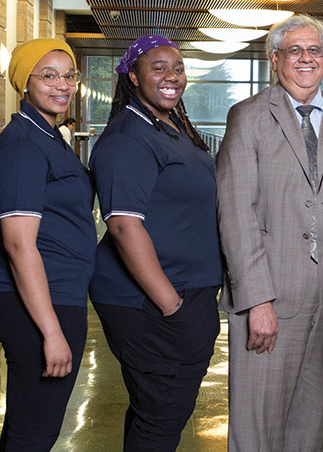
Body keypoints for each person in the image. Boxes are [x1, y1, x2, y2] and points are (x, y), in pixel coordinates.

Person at [216, 14, 323, 452]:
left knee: (309, 429)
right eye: (294, 51)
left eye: (315, 50)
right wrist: (257, 300)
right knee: (255, 433)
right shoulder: (248, 118)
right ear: (275, 59)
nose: (306, 59)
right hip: (269, 302)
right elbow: (235, 212)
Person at [89, 35, 221, 451]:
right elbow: (125, 227)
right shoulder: (128, 137)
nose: (171, 77)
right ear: (133, 76)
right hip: (153, 303)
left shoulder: (171, 127)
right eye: (158, 68)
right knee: (162, 417)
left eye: (177, 68)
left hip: (186, 293)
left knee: (155, 414)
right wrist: (171, 305)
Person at [0, 38, 95, 451]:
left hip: (59, 293)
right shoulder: (24, 145)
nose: (62, 85)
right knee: (35, 430)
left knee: (34, 426)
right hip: (39, 301)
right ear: (23, 83)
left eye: (69, 76)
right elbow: (17, 244)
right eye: (47, 76)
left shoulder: (47, 135)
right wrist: (51, 331)